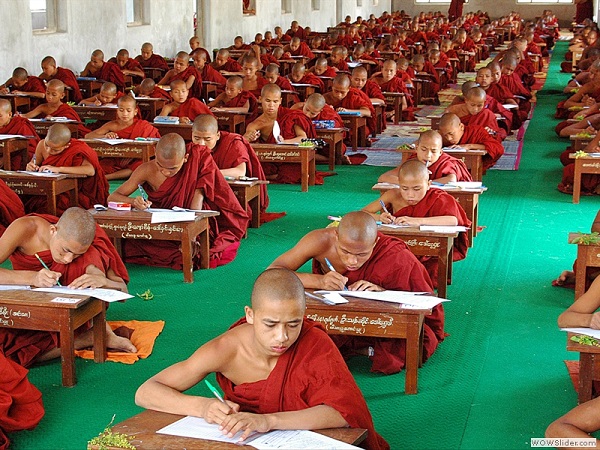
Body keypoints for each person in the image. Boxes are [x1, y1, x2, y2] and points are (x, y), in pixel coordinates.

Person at [135, 268, 389, 450]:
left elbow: (343, 413)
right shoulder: (225, 349)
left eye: (293, 324)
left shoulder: (315, 343)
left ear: (304, 315)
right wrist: (202, 407)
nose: (282, 337)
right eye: (270, 324)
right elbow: (146, 392)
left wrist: (268, 421)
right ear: (250, 315)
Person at [268, 211, 445, 375]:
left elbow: (425, 302)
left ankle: (357, 348)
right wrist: (319, 281)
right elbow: (272, 273)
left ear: (375, 243)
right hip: (335, 311)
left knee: (417, 343)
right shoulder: (319, 240)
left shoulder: (396, 256)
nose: (352, 261)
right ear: (336, 236)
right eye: (345, 251)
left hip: (375, 317)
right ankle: (360, 347)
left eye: (362, 254)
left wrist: (383, 292)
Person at [0, 207, 136, 366]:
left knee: (19, 354)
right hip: (27, 306)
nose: (68, 259)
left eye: (77, 254)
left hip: (63, 311)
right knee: (10, 353)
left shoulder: (88, 243)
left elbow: (122, 291)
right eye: (65, 250)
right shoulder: (25, 229)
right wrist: (32, 277)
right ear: (53, 230)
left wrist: (103, 281)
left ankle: (94, 331)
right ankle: (86, 338)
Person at [108, 133, 248, 268]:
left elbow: (197, 199)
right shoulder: (146, 169)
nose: (165, 172)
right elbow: (112, 197)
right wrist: (134, 201)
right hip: (160, 222)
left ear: (185, 158)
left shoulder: (197, 160)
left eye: (172, 168)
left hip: (190, 217)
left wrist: (192, 235)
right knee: (121, 243)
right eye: (160, 165)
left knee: (194, 252)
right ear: (155, 154)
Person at [363, 159, 470, 284]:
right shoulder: (393, 195)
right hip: (398, 246)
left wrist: (417, 221)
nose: (410, 195)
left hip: (428, 249)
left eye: (417, 189)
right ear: (399, 183)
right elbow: (363, 213)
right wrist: (380, 218)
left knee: (427, 274)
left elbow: (452, 220)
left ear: (429, 184)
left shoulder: (438, 197)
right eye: (404, 188)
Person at [191, 114, 269, 220]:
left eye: (207, 139)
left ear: (217, 135)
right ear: (191, 134)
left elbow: (240, 172)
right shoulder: (191, 148)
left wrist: (209, 173)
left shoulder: (233, 142)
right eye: (196, 138)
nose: (201, 144)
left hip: (227, 191)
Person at [24, 124, 108, 214]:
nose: (49, 150)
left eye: (55, 150)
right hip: (47, 188)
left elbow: (90, 171)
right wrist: (30, 166)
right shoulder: (41, 144)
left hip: (70, 190)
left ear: (66, 145)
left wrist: (59, 169)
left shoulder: (77, 149)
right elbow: (35, 162)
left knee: (60, 206)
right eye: (47, 145)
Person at [85, 96, 161, 180]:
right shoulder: (112, 125)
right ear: (117, 111)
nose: (125, 114)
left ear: (135, 111)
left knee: (142, 166)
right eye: (121, 110)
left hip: (135, 158)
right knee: (99, 167)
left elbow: (155, 143)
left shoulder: (143, 126)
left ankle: (106, 178)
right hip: (116, 157)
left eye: (128, 110)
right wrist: (105, 136)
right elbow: (88, 136)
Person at [378, 130, 472, 184]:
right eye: (423, 149)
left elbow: (451, 180)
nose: (428, 155)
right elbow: (383, 177)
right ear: (417, 149)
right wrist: (410, 183)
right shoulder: (413, 162)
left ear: (440, 152)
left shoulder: (445, 163)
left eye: (434, 151)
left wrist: (426, 184)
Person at [438, 112, 505, 171]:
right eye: (445, 135)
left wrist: (469, 146)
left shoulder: (476, 132)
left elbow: (498, 148)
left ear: (461, 127)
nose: (449, 138)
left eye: (451, 134)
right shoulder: (440, 136)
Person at [0, 99, 40, 170]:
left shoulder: (20, 125)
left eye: (0, 116)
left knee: (18, 160)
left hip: (16, 154)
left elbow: (32, 147)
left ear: (9, 114)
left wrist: (6, 157)